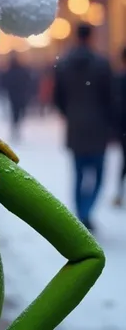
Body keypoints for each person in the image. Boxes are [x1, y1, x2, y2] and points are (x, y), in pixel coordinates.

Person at [53, 23, 115, 231]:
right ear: (91, 37)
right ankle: (87, 211)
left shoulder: (64, 64)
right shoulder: (102, 64)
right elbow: (111, 98)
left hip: (76, 126)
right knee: (97, 175)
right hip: (98, 127)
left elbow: (58, 98)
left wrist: (70, 113)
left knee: (78, 173)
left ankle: (81, 212)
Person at [2, 53, 32, 140]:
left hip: (13, 94)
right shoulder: (22, 71)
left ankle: (15, 126)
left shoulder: (9, 71)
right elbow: (27, 81)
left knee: (14, 111)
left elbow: (4, 82)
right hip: (21, 94)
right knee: (19, 110)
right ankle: (17, 126)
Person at [113, 46, 126, 206]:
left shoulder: (117, 78)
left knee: (124, 161)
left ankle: (119, 193)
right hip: (123, 127)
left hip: (123, 127)